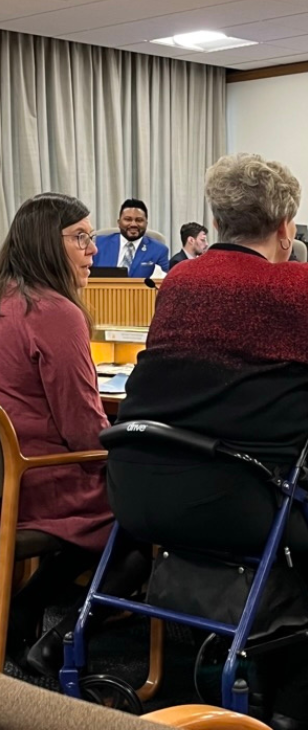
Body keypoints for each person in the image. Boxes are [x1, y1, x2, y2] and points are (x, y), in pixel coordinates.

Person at [106, 153, 308, 730]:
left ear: (216, 222)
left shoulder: (178, 282)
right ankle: (298, 707)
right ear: (286, 227)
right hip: (241, 500)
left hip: (141, 488)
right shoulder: (300, 288)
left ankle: (244, 662)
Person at [0, 193, 148, 678]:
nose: (92, 250)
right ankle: (62, 642)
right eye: (80, 237)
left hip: (11, 481)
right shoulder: (54, 313)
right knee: (141, 521)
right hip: (38, 486)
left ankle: (23, 612)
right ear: (48, 242)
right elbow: (84, 430)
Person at [93, 198, 169, 277]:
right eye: (128, 219)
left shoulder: (159, 250)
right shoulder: (98, 244)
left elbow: (162, 284)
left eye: (139, 220)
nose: (133, 224)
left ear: (146, 223)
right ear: (119, 222)